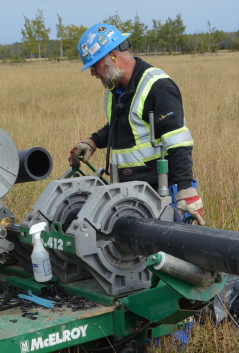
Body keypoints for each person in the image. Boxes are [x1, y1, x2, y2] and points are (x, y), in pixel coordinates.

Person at [69, 23, 205, 225]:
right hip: (130, 197)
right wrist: (92, 142)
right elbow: (121, 126)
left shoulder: (157, 86)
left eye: (94, 65)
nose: (92, 73)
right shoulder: (115, 89)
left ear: (113, 56)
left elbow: (177, 141)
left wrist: (186, 191)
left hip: (162, 195)